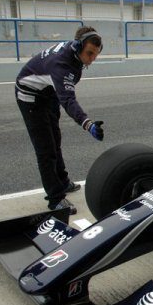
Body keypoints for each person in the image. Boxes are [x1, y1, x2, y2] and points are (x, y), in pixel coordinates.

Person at [16, 25, 105, 215]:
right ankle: (55, 199)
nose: (92, 59)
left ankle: (63, 182)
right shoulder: (62, 65)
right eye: (89, 53)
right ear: (77, 46)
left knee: (55, 140)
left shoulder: (74, 55)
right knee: (45, 149)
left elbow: (63, 94)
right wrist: (88, 124)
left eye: (96, 54)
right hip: (30, 96)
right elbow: (68, 100)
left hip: (48, 94)